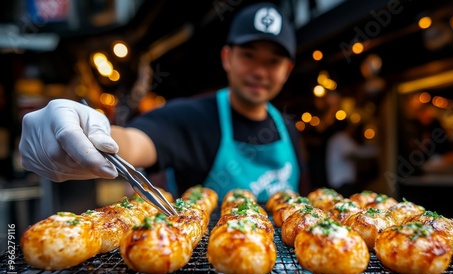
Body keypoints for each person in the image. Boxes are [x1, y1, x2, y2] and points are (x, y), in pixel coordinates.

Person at [18, 2, 310, 203]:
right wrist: (85, 130)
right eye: (248, 55)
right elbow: (134, 142)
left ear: (287, 71)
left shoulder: (288, 128)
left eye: (273, 62)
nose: (259, 71)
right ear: (227, 58)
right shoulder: (191, 118)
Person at [325, 120, 378, 197]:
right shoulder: (342, 138)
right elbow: (351, 154)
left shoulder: (336, 138)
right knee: (344, 204)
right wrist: (371, 152)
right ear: (348, 127)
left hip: (338, 179)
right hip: (342, 180)